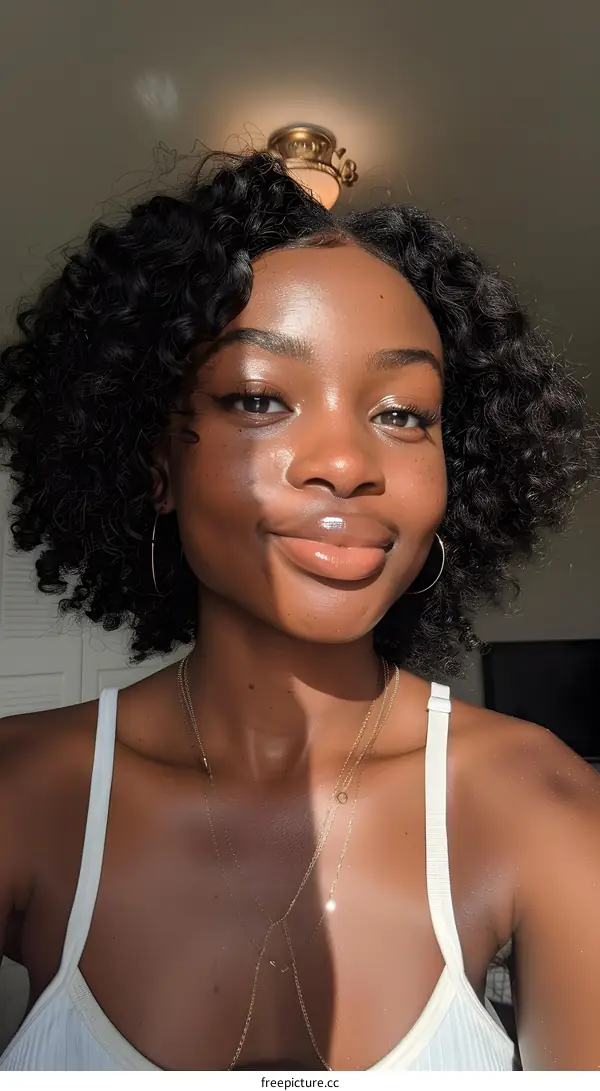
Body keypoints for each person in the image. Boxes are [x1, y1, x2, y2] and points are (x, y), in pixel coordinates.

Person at [0, 151, 597, 1073]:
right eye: (257, 398)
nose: (348, 462)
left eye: (404, 413)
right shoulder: (23, 790)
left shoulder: (540, 800)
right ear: (153, 463)